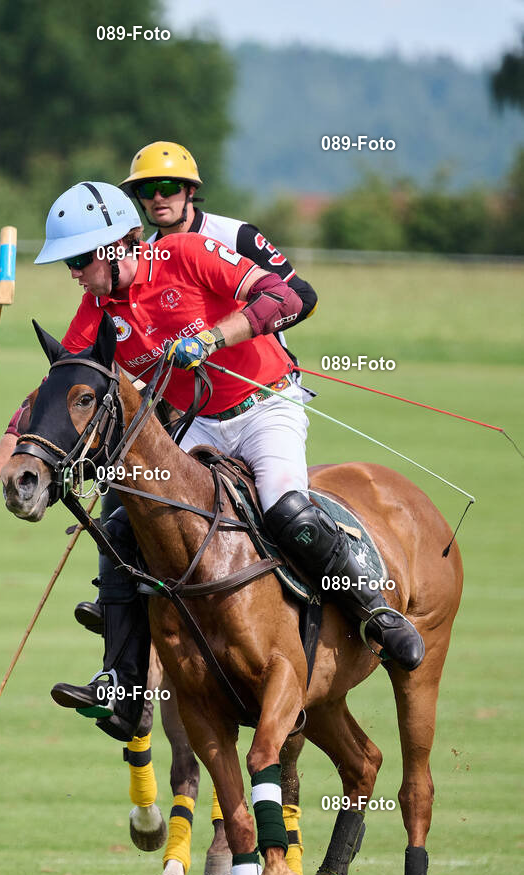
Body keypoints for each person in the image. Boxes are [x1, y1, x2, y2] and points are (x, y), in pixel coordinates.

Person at [27, 181, 425, 741]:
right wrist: (4, 469)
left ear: (118, 247)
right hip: (200, 421)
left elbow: (286, 297)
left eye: (78, 258)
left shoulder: (185, 253)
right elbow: (62, 383)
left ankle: (375, 612)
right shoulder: (98, 306)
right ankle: (124, 685)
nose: (73, 272)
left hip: (264, 404)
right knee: (122, 528)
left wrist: (215, 337)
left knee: (288, 510)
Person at [73, 141, 317, 635]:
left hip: (260, 390)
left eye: (167, 187)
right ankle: (124, 666)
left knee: (286, 510)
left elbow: (298, 296)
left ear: (189, 191)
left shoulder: (228, 235)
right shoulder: (125, 273)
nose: (157, 198)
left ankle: (364, 609)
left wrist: (217, 337)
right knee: (127, 513)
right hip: (191, 411)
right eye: (146, 191)